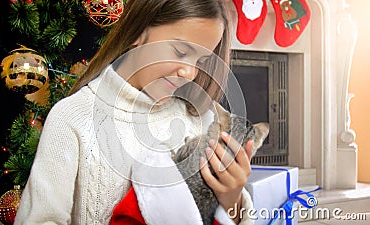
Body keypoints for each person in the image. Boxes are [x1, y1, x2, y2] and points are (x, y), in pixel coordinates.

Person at [14, 0, 254, 224]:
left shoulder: (202, 118)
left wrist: (232, 200)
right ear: (139, 31)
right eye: (180, 52)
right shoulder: (73, 118)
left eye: (201, 61)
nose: (189, 73)